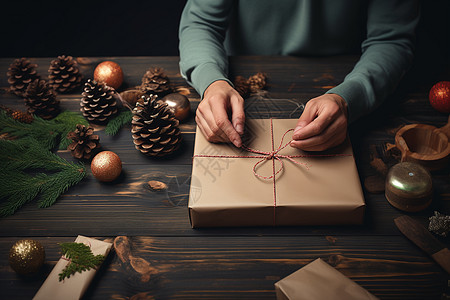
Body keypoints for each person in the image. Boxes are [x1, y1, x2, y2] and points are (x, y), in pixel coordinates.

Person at [179, 0, 419, 151]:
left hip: (343, 77)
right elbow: (200, 23)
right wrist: (212, 81)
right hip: (243, 81)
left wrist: (349, 98)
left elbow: (391, 39)